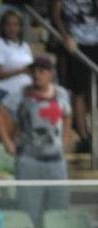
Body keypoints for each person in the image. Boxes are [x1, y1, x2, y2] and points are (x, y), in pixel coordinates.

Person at [0, 56, 72, 228]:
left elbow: (67, 115)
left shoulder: (61, 94)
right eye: (34, 71)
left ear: (51, 74)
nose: (37, 75)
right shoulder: (22, 94)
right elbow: (0, 114)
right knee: (29, 211)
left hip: (56, 160)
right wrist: (7, 142)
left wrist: (66, 139)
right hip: (30, 160)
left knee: (59, 209)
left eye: (42, 72)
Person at [51, 0, 98, 150]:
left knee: (91, 91)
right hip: (76, 43)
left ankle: (82, 125)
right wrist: (65, 36)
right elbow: (56, 15)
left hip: (95, 41)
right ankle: (84, 136)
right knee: (79, 91)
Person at [0, 9, 33, 110]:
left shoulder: (24, 46)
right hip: (5, 93)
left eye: (16, 25)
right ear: (2, 27)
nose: (12, 28)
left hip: (25, 93)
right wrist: (21, 71)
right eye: (8, 24)